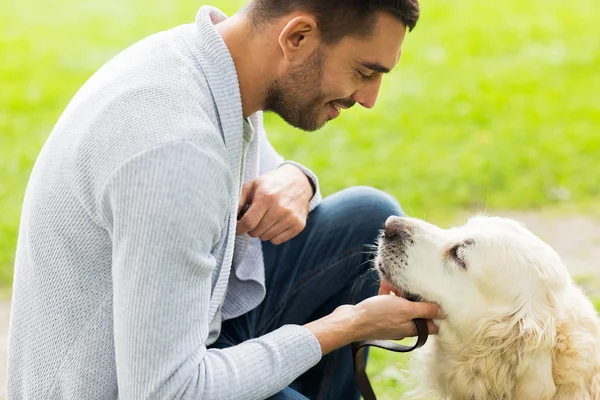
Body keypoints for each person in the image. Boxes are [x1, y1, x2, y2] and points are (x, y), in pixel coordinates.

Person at [7, 0, 444, 399]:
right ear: (297, 37)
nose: (369, 99)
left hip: (192, 333)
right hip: (130, 387)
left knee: (365, 219)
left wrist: (296, 178)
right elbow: (167, 392)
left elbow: (260, 169)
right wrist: (349, 325)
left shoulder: (208, 61)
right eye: (365, 72)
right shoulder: (173, 152)